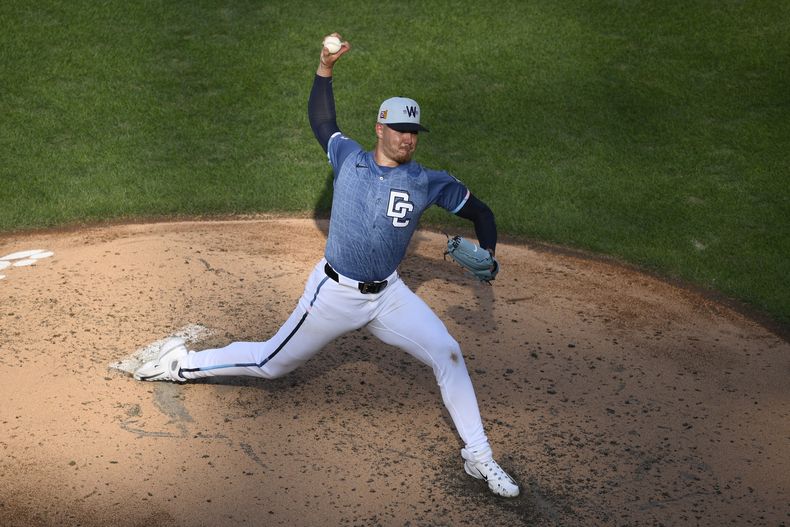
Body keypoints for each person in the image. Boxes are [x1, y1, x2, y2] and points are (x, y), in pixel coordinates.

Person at [134, 33, 519, 498]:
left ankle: (480, 458)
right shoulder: (350, 160)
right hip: (334, 294)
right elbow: (322, 120)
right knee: (270, 363)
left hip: (390, 296)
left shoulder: (428, 182)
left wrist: (491, 253)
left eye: (414, 131)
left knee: (449, 354)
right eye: (399, 128)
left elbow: (482, 213)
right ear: (380, 128)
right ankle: (182, 365)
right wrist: (325, 67)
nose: (407, 139)